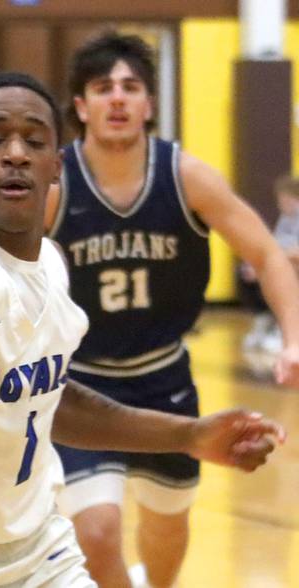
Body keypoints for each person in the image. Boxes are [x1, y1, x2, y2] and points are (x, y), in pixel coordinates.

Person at [0, 72, 285, 588]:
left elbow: (46, 399)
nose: (16, 153)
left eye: (35, 141)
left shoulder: (51, 264)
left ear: (56, 167)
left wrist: (189, 435)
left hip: (37, 554)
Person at [44, 32, 299, 588]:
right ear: (81, 106)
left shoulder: (186, 176)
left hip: (165, 380)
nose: (118, 98)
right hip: (83, 384)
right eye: (103, 87)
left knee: (165, 529)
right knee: (98, 532)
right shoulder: (56, 184)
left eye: (131, 87)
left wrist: (294, 336)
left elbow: (266, 254)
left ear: (149, 104)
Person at [240, 174, 299, 355]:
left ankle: (286, 332)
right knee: (244, 272)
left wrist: (274, 263)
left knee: (284, 276)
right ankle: (263, 320)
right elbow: (273, 244)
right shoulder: (285, 218)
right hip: (284, 264)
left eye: (284, 197)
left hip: (293, 266)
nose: (280, 202)